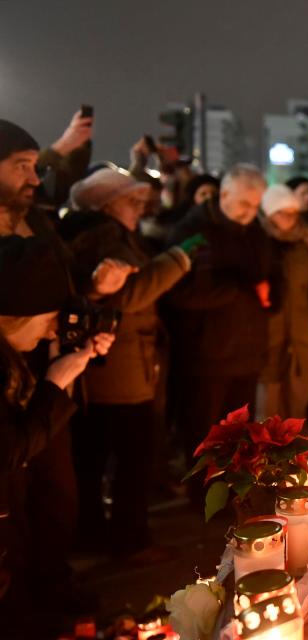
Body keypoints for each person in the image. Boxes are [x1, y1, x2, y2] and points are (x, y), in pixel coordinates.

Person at [58, 167, 197, 560]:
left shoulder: (100, 234)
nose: (139, 208)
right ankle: (128, 540)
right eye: (130, 201)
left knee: (98, 455)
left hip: (117, 364)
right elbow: (124, 295)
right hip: (119, 367)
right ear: (105, 206)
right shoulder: (102, 237)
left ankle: (97, 535)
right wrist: (176, 260)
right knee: (132, 455)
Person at [0, 235, 114, 634]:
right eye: (49, 319)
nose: (53, 331)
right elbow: (8, 450)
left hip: (31, 474)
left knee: (54, 509)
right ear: (16, 314)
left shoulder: (20, 348)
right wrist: (53, 386)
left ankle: (44, 594)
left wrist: (73, 355)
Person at [166, 164, 278, 496]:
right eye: (245, 204)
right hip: (208, 353)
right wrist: (235, 290)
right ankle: (203, 496)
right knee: (204, 432)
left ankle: (235, 490)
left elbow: (270, 273)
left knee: (239, 431)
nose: (251, 212)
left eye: (256, 205)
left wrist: (272, 295)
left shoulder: (254, 232)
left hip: (246, 348)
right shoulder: (193, 231)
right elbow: (175, 292)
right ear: (224, 194)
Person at [257, 184, 308, 420]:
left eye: (292, 212)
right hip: (267, 338)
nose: (289, 218)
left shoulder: (304, 246)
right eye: (282, 213)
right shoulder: (259, 243)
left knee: (297, 405)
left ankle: (296, 453)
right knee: (266, 409)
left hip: (301, 339)